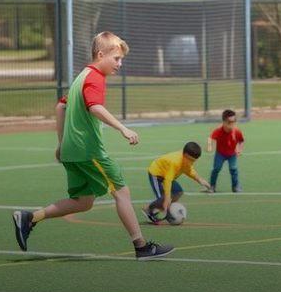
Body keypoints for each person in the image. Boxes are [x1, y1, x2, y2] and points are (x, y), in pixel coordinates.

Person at [11, 32, 173, 260]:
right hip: (89, 150)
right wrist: (122, 128)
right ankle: (141, 246)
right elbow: (95, 107)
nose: (120, 64)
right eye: (116, 58)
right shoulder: (95, 76)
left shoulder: (82, 76)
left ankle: (31, 217)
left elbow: (60, 107)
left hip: (72, 150)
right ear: (100, 54)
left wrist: (61, 143)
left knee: (83, 202)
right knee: (122, 191)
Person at [142, 142, 212, 224]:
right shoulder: (175, 162)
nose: (191, 163)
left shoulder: (186, 160)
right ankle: (148, 209)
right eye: (190, 160)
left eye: (194, 161)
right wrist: (167, 198)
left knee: (178, 192)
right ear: (185, 155)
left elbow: (189, 171)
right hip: (156, 174)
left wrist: (200, 180)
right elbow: (167, 181)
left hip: (166, 174)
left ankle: (166, 208)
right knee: (164, 198)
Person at [207, 109, 244, 192]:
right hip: (220, 154)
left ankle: (235, 186)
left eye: (234, 122)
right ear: (223, 122)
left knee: (233, 169)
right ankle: (212, 186)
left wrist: (239, 150)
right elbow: (210, 138)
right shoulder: (218, 131)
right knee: (216, 168)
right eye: (229, 122)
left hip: (232, 154)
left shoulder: (237, 131)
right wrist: (210, 146)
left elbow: (241, 141)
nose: (232, 124)